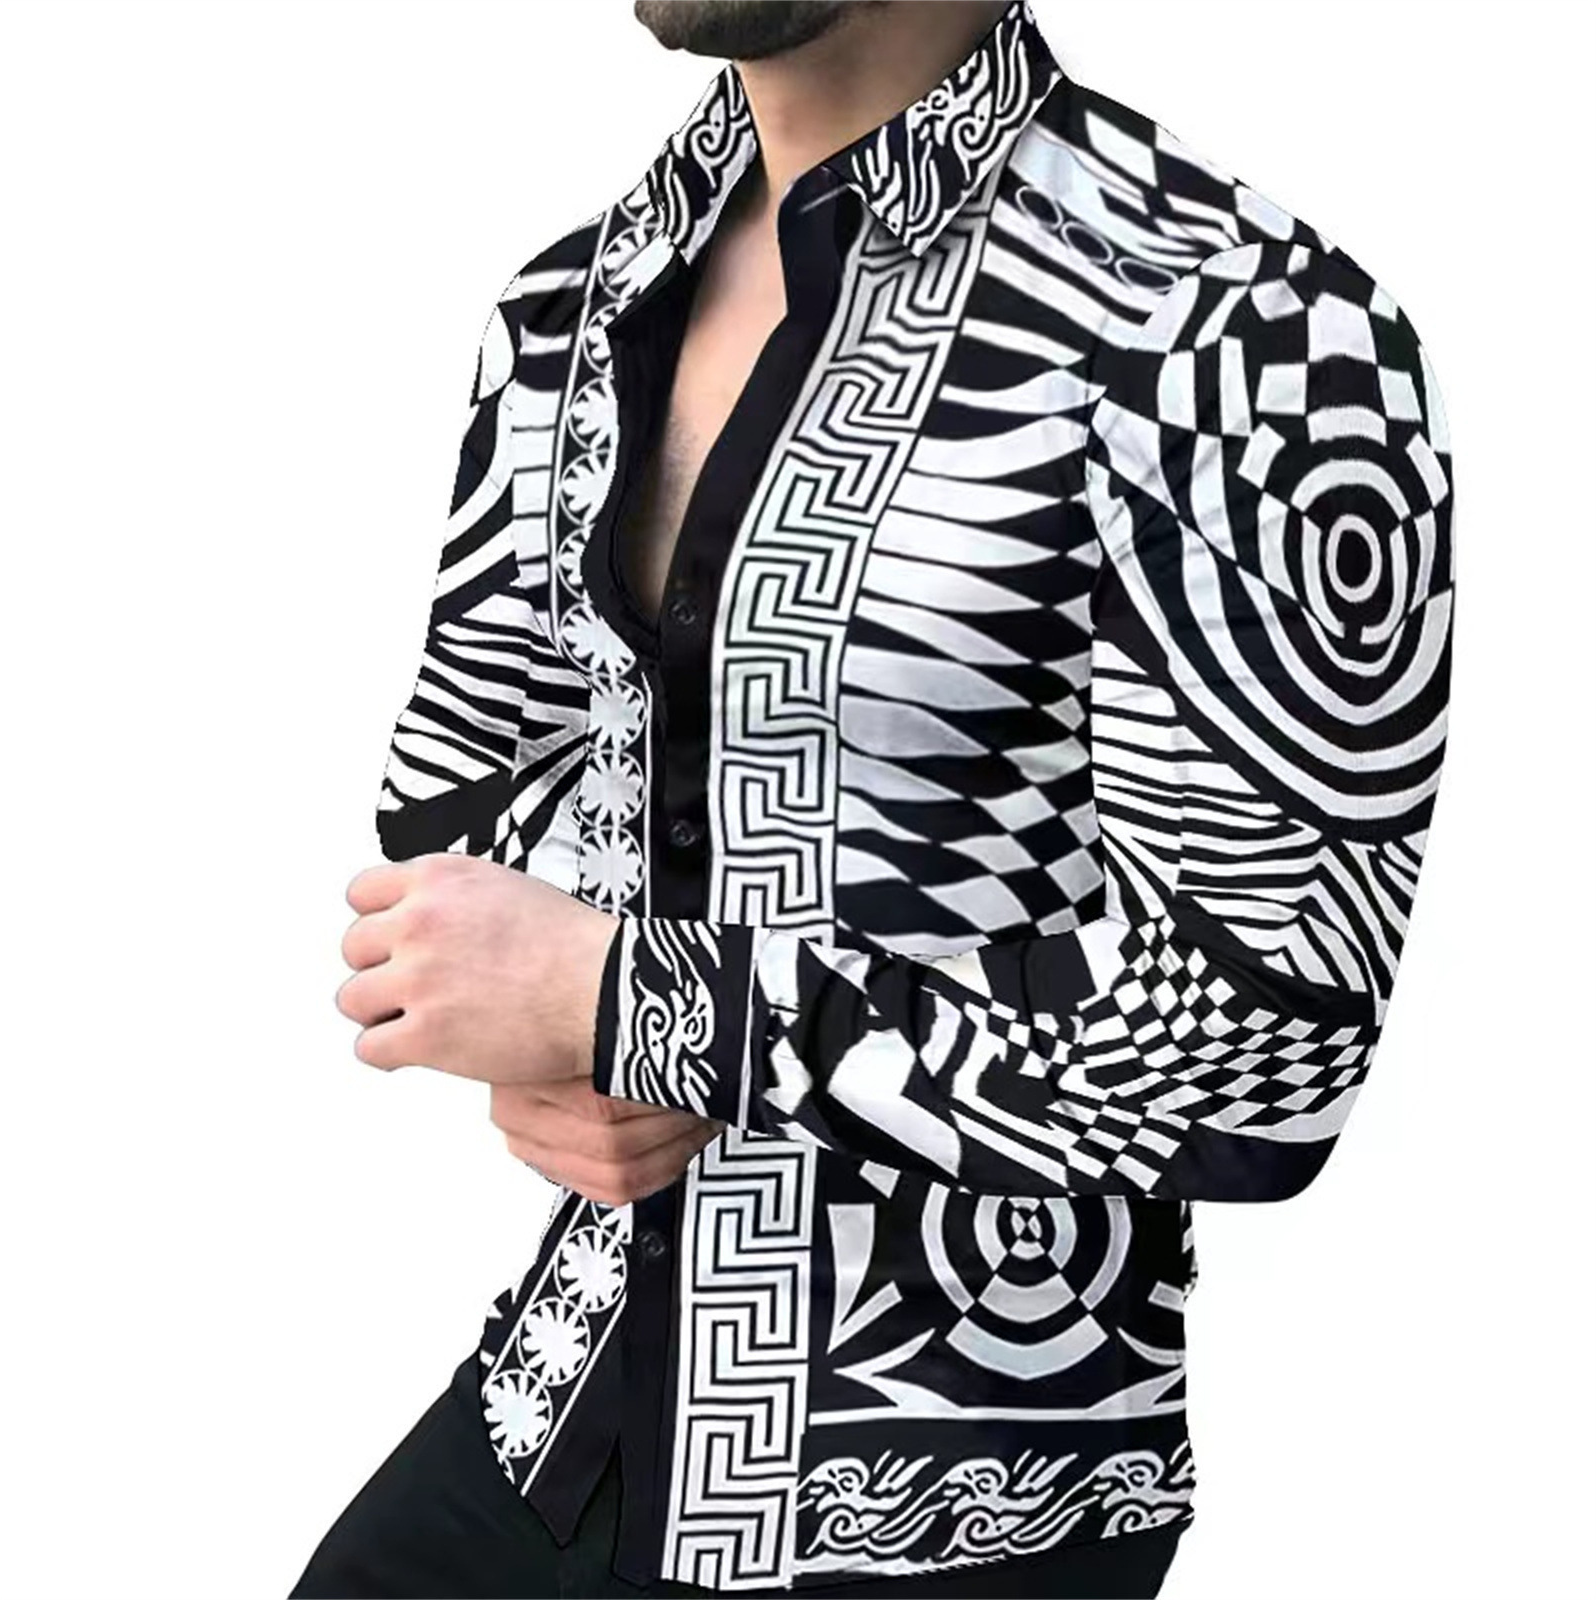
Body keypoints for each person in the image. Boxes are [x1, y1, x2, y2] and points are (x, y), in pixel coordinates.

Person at [290, 1, 1454, 1594]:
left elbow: (1260, 1046)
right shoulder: (573, 300)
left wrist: (639, 1004)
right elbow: (459, 804)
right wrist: (545, 1027)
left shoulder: (1238, 329)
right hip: (562, 1400)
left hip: (952, 1485)